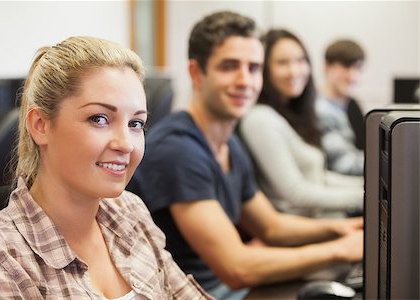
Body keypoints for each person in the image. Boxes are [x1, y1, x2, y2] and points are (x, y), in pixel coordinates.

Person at [127, 12, 363, 300]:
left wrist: (343, 227)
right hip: (198, 293)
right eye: (229, 66)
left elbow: (271, 226)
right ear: (196, 73)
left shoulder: (229, 144)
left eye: (254, 68)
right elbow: (237, 268)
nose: (245, 80)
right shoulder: (178, 149)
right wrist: (341, 248)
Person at [0, 36, 212, 299]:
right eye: (99, 119)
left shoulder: (130, 211)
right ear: (40, 125)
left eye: (136, 124)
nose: (126, 144)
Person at [239, 29, 364, 217]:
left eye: (300, 60)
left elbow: (317, 178)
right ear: (265, 69)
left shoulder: (289, 114)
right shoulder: (261, 119)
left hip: (322, 220)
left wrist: (368, 187)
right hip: (304, 227)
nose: (294, 70)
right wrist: (367, 196)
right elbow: (295, 193)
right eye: (282, 63)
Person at [315, 39, 366, 175]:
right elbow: (344, 165)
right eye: (345, 67)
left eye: (358, 68)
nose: (352, 76)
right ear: (326, 67)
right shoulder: (321, 109)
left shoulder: (352, 105)